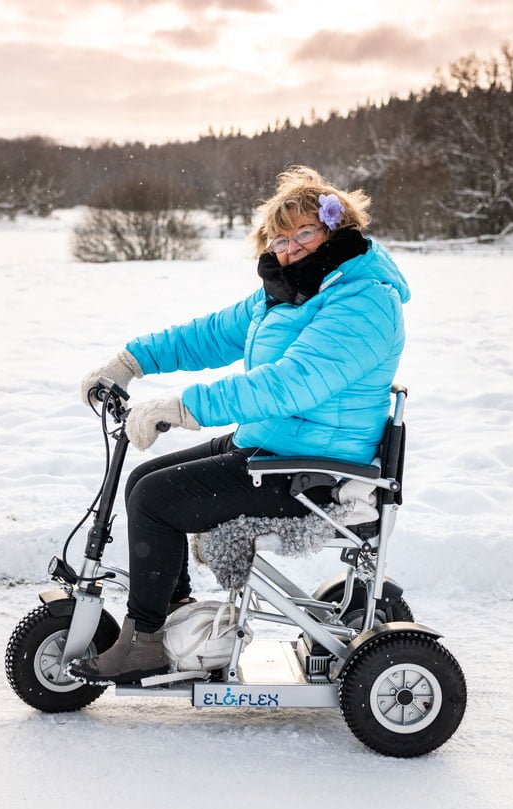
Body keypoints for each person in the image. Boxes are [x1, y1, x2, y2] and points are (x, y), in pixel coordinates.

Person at [67, 165, 410, 685]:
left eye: (304, 233)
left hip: (316, 468)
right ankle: (177, 619)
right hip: (277, 442)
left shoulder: (363, 301)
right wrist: (130, 362)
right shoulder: (291, 287)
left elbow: (291, 383)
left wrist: (185, 409)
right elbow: (210, 334)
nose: (289, 247)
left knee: (155, 500)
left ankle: (145, 643)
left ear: (335, 232)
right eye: (278, 237)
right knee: (143, 482)